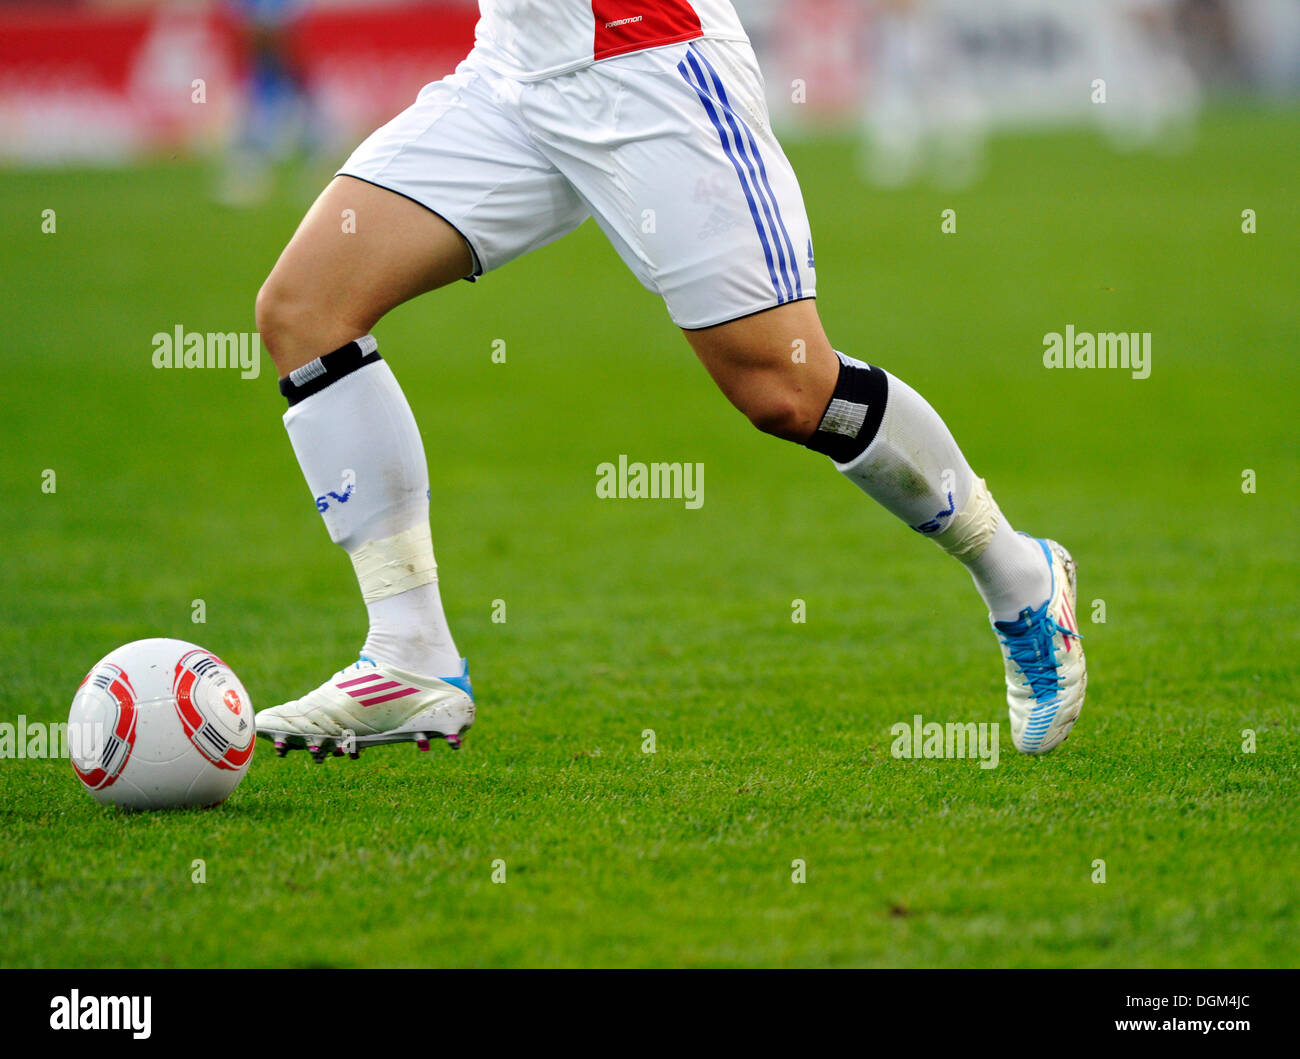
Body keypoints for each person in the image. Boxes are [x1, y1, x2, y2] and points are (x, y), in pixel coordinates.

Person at [252, 1, 1085, 762]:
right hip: (510, 74)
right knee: (304, 311)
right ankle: (409, 651)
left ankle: (1018, 575)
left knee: (788, 389)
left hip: (651, 61)